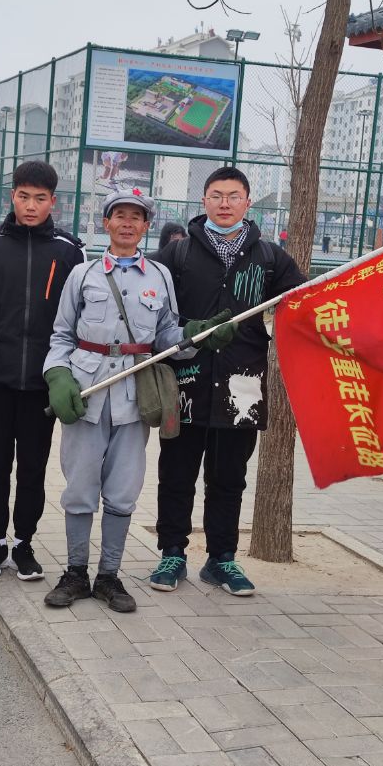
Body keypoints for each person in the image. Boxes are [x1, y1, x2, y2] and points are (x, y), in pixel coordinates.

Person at [42, 189, 236, 613]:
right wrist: (57, 375)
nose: (127, 223)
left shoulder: (159, 277)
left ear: (147, 226)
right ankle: (75, 573)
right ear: (106, 223)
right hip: (86, 394)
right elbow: (61, 335)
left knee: (122, 491)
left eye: (136, 217)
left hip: (134, 397)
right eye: (120, 216)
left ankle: (108, 577)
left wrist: (196, 334)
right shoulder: (83, 274)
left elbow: (166, 336)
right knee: (80, 489)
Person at [149, 167, 305, 596]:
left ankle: (222, 559)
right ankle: (172, 553)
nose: (224, 203)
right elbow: (153, 311)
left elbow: (302, 301)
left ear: (247, 202)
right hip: (186, 382)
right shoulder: (178, 254)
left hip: (243, 386)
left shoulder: (269, 257)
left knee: (229, 478)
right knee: (177, 473)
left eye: (233, 196)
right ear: (204, 201)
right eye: (216, 195)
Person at [0, 160, 85, 581]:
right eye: (23, 197)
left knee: (33, 468)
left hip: (44, 382)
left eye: (39, 198)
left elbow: (79, 319)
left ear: (53, 202)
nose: (30, 206)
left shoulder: (70, 251)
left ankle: (24, 543)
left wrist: (68, 372)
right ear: (12, 196)